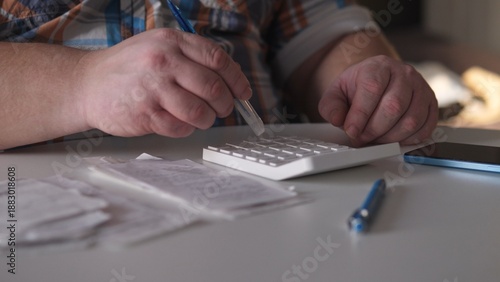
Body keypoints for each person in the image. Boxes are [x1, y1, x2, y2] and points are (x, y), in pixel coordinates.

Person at [0, 0, 438, 150]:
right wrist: (80, 84)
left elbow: (326, 36)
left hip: (272, 217)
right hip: (44, 228)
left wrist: (369, 85)